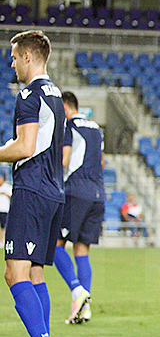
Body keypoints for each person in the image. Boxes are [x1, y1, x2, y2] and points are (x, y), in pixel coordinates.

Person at [0, 30, 65, 337]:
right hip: (54, 192)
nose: (11, 63)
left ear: (27, 56)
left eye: (13, 56)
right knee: (35, 271)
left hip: (32, 190)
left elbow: (25, 148)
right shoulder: (56, 96)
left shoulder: (28, 95)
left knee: (14, 273)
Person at [52, 91, 105, 325]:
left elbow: (64, 160)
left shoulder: (67, 126)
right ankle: (84, 309)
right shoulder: (96, 128)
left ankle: (77, 291)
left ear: (65, 105)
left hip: (76, 191)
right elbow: (102, 162)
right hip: (98, 193)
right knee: (81, 250)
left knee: (54, 245)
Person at [0, 173, 12, 244]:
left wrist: (5, 194)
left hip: (4, 209)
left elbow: (11, 196)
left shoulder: (7, 187)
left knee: (3, 227)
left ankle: (3, 241)